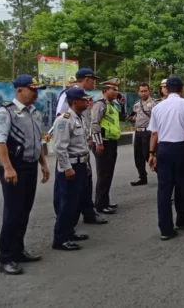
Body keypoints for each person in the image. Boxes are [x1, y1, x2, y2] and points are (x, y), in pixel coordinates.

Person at [0, 75, 51, 275]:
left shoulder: (35, 112)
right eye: (32, 89)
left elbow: (38, 141)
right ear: (19, 91)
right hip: (14, 166)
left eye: (38, 90)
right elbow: (0, 143)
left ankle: (18, 250)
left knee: (24, 211)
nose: (36, 93)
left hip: (30, 166)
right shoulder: (6, 111)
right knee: (13, 213)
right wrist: (8, 167)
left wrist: (43, 164)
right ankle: (6, 258)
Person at [148, 76, 184, 240]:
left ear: (167, 89)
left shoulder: (158, 107)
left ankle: (165, 229)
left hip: (163, 149)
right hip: (182, 149)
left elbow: (154, 133)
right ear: (182, 89)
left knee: (164, 189)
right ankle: (182, 219)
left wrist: (151, 154)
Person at [52, 68, 107, 225]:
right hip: (70, 149)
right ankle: (63, 219)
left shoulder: (84, 96)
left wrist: (90, 138)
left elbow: (86, 120)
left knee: (85, 182)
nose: (94, 83)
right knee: (66, 188)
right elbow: (61, 118)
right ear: (86, 79)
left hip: (82, 145)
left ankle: (87, 213)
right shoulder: (69, 94)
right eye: (93, 79)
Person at [52, 87, 92, 251]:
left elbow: (83, 145)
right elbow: (60, 148)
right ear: (75, 102)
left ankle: (69, 231)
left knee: (75, 202)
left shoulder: (80, 118)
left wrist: (87, 165)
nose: (88, 102)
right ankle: (60, 238)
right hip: (71, 166)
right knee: (67, 203)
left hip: (81, 164)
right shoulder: (64, 120)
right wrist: (67, 168)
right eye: (85, 100)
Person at [90, 78, 121, 214]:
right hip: (103, 143)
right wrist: (99, 143)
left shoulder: (112, 106)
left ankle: (105, 201)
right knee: (103, 174)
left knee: (108, 174)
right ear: (105, 91)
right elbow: (95, 124)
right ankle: (100, 205)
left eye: (117, 89)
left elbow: (121, 120)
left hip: (111, 142)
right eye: (113, 89)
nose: (116, 92)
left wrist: (123, 105)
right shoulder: (100, 105)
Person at [128, 83, 155, 186]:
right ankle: (142, 177)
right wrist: (131, 119)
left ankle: (162, 174)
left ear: (149, 91)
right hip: (138, 132)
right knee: (138, 156)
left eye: (145, 91)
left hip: (148, 132)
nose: (143, 93)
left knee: (148, 155)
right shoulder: (136, 104)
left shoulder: (153, 103)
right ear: (138, 92)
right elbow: (134, 119)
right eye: (141, 91)